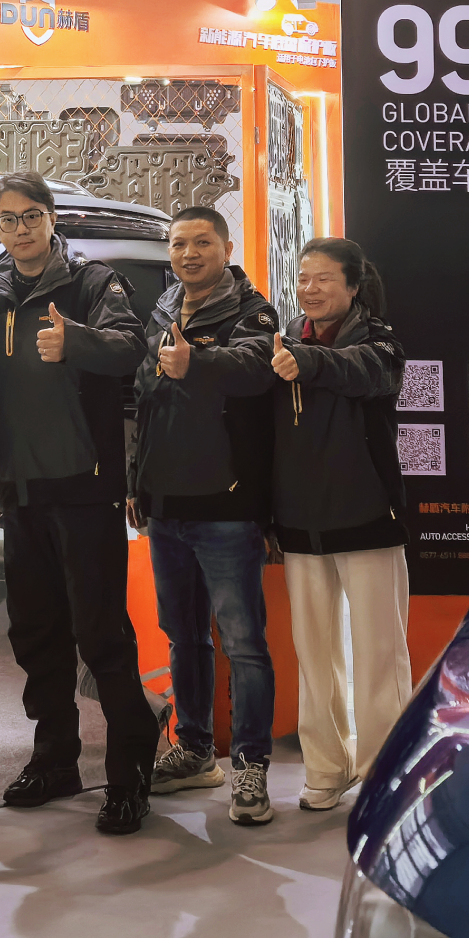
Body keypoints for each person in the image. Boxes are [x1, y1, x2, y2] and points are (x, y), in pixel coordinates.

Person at [0, 171, 159, 836]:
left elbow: (130, 348)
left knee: (100, 633)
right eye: (8, 219)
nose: (21, 229)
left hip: (85, 487)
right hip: (21, 490)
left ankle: (129, 769)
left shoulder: (93, 283)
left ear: (52, 218)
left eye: (31, 215)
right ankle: (55, 756)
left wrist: (75, 341)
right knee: (35, 632)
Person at [130, 206, 279, 827]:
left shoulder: (253, 311)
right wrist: (137, 482)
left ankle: (250, 764)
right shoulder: (163, 310)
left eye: (201, 242)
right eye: (178, 244)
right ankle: (194, 749)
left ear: (226, 248)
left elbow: (255, 371)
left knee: (243, 643)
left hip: (227, 506)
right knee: (183, 635)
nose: (188, 254)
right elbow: (146, 401)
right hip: (166, 506)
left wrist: (198, 362)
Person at [268, 237, 410, 812]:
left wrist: (309, 361)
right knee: (314, 655)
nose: (310, 288)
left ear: (353, 286)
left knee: (380, 655)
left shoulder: (379, 342)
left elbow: (365, 374)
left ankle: (383, 775)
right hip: (300, 525)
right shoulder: (282, 340)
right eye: (304, 278)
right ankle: (325, 768)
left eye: (324, 278)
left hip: (368, 519)